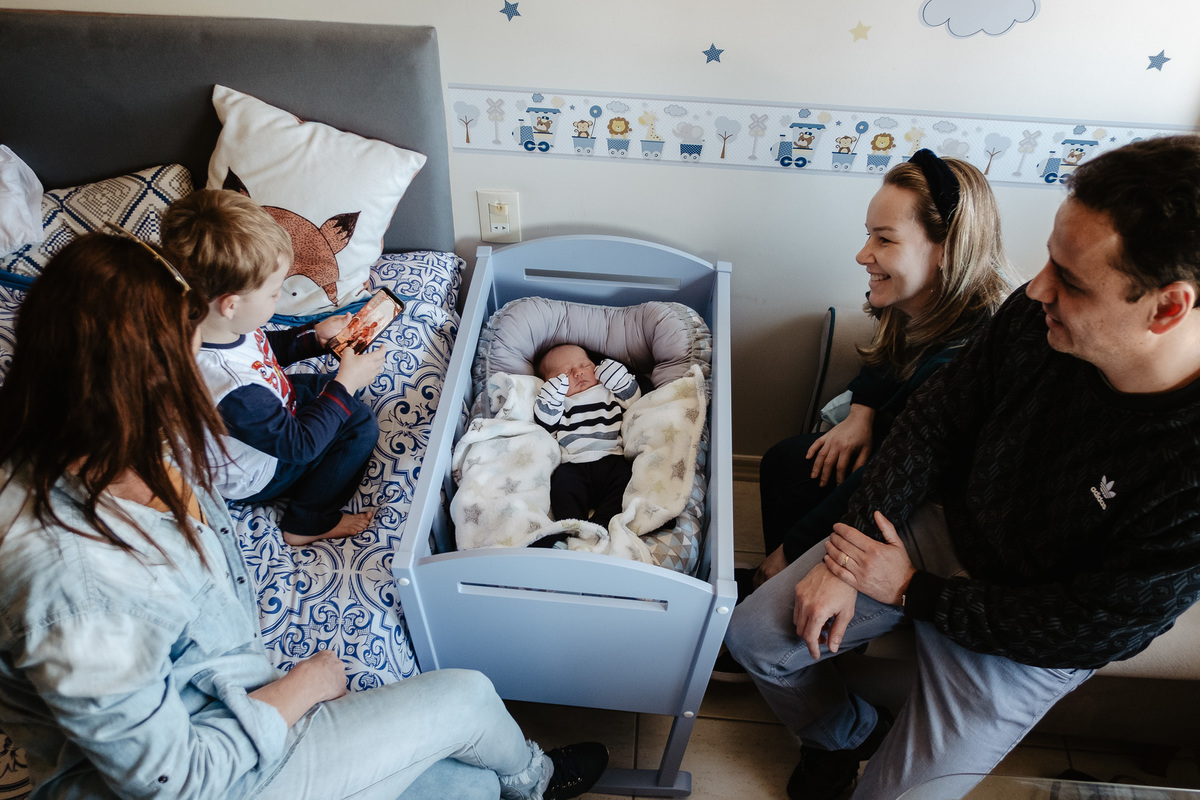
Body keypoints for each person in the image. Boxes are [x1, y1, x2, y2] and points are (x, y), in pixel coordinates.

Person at [0, 231, 609, 800]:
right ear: (141, 378)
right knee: (468, 699)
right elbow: (172, 781)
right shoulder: (72, 578)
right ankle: (538, 779)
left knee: (468, 787)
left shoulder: (133, 444)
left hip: (230, 700)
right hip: (221, 775)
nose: (200, 354)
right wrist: (304, 686)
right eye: (187, 342)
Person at [725, 134, 1200, 800]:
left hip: (1032, 630)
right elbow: (933, 422)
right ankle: (840, 734)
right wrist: (847, 556)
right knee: (754, 636)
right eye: (1048, 261)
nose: (1037, 288)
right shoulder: (1033, 319)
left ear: (1169, 307)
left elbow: (1094, 623)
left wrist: (916, 593)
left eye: (1070, 279)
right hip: (946, 527)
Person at [752, 150, 1012, 593]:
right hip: (893, 441)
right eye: (868, 235)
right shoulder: (913, 302)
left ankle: (781, 584)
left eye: (885, 240)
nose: (862, 255)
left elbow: (897, 476)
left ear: (947, 250)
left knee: (801, 484)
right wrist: (862, 413)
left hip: (928, 491)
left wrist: (789, 551)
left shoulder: (969, 358)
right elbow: (882, 353)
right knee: (787, 463)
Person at [162, 189, 380, 546]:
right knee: (357, 422)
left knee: (323, 388)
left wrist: (313, 338)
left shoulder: (210, 325)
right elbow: (301, 446)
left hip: (265, 417)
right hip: (257, 472)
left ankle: (336, 390)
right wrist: (345, 386)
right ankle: (308, 521)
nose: (279, 298)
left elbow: (263, 350)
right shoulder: (233, 387)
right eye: (274, 292)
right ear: (231, 304)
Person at [533, 344, 641, 531]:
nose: (578, 373)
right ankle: (571, 529)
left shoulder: (607, 390)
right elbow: (545, 425)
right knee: (561, 487)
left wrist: (617, 377)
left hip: (612, 458)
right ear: (550, 383)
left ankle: (603, 523)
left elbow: (634, 400)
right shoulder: (561, 402)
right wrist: (551, 397)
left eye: (584, 365)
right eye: (565, 372)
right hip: (574, 465)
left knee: (627, 481)